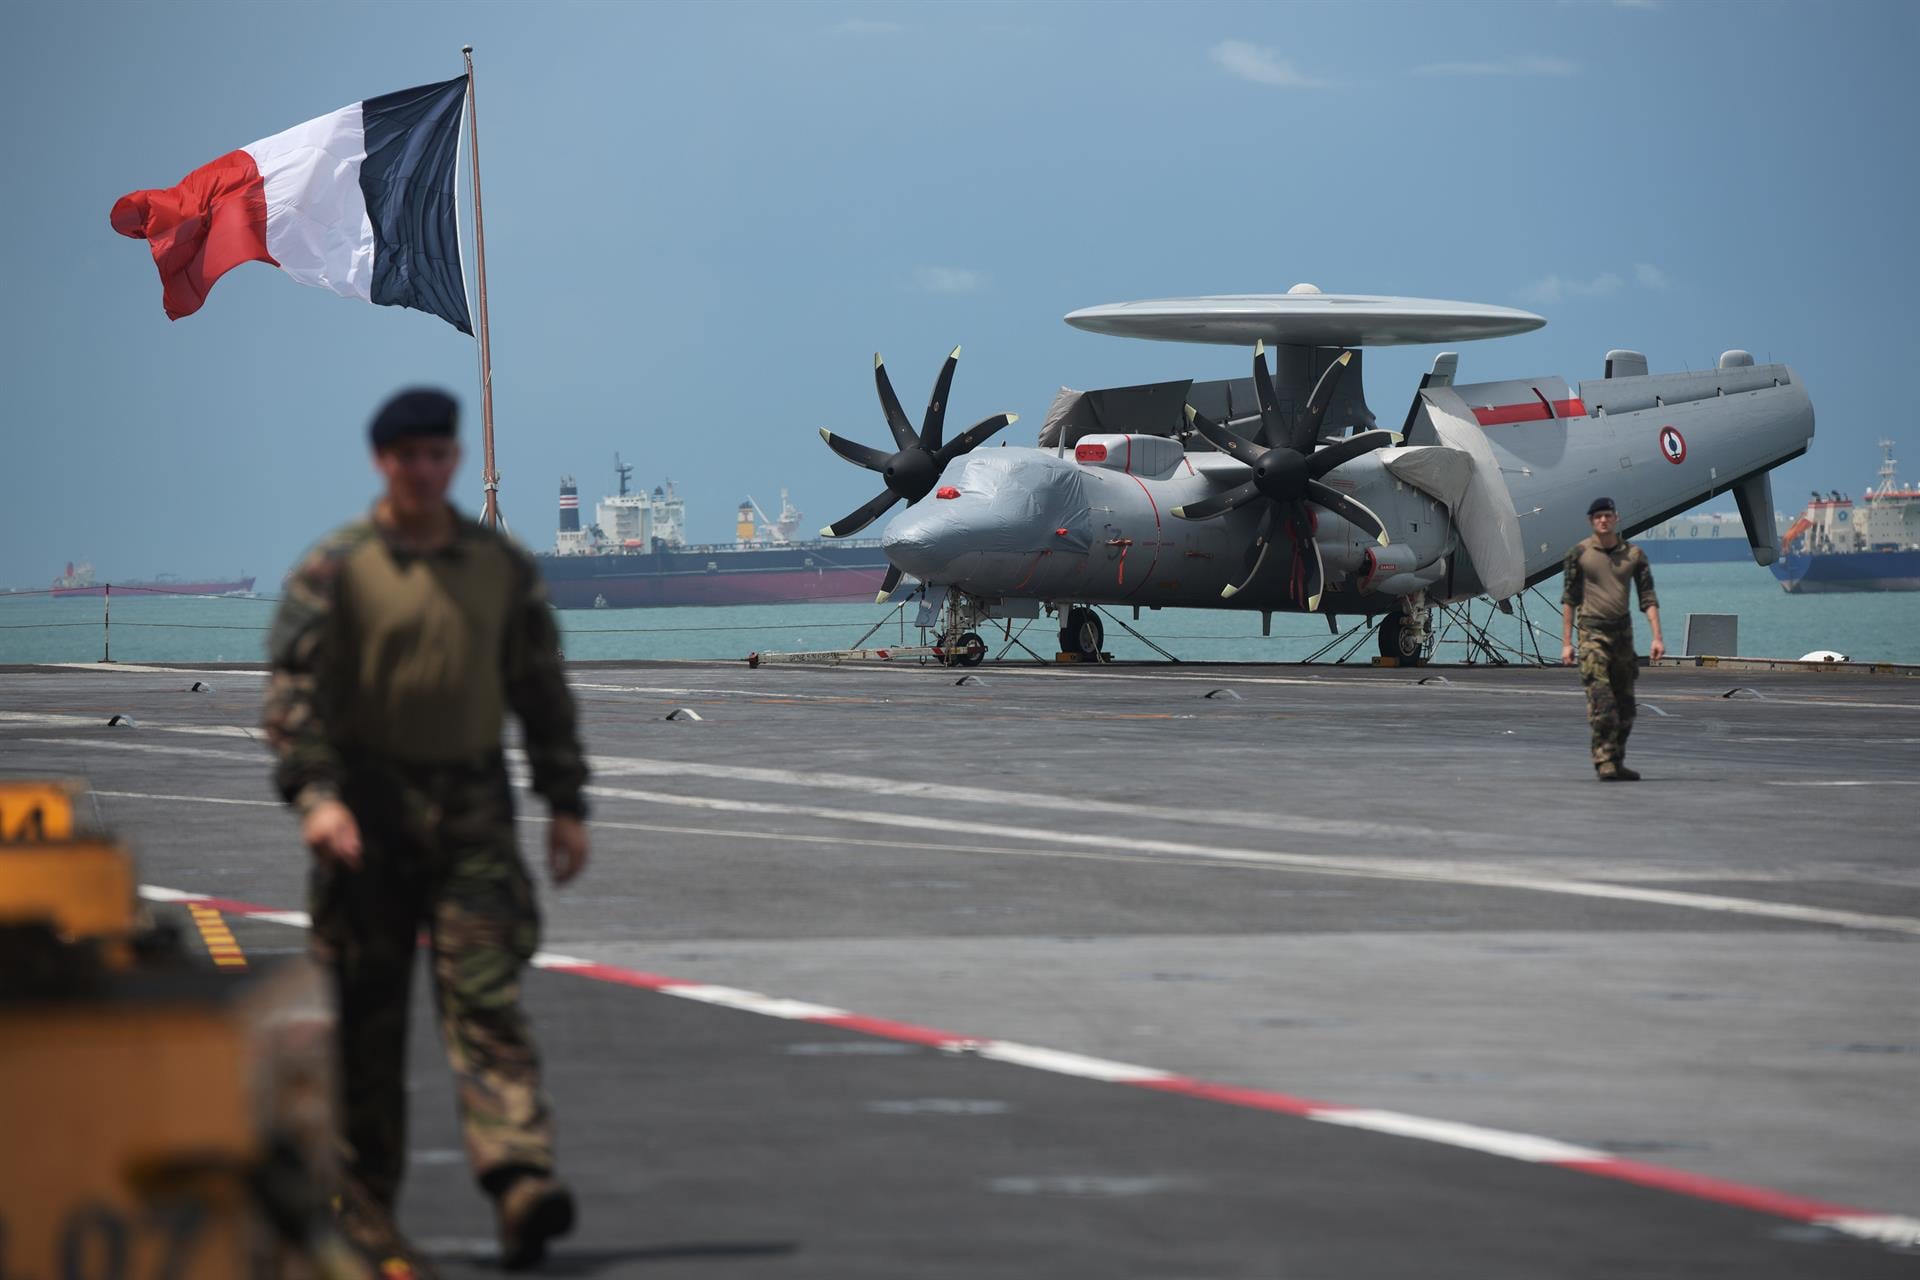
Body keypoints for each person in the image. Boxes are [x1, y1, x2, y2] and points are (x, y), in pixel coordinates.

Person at [264, 388, 590, 1272]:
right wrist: (317, 797)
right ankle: (365, 1210)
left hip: (473, 816)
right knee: (369, 1025)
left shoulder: (497, 566)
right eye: (406, 455)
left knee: (486, 1002)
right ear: (384, 463)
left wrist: (567, 803)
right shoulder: (335, 569)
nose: (423, 468)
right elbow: (294, 697)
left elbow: (540, 688)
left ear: (451, 461)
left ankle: (520, 1180)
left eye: (437, 454)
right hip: (363, 820)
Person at [1560, 496, 1664, 780]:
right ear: (1591, 521)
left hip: (1623, 635)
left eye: (1608, 515)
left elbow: (1648, 598)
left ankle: (1616, 760)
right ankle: (1603, 760)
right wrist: (1567, 643)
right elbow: (1569, 599)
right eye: (1598, 517)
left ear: (1616, 518)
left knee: (1626, 709)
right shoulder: (1578, 554)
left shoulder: (1634, 555)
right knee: (1602, 703)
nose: (1603, 520)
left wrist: (1657, 637)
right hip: (1592, 634)